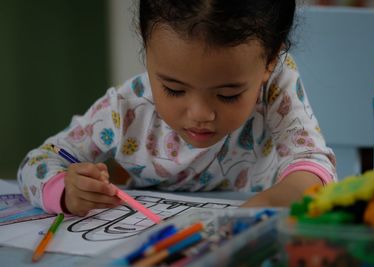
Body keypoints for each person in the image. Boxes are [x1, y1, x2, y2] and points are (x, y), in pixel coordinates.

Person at [17, 0, 337, 217]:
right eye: (174, 89)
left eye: (227, 94)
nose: (199, 113)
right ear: (147, 46)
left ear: (269, 61)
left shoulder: (275, 85)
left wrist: (260, 211)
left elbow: (312, 164)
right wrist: (65, 190)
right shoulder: (126, 109)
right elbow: (39, 162)